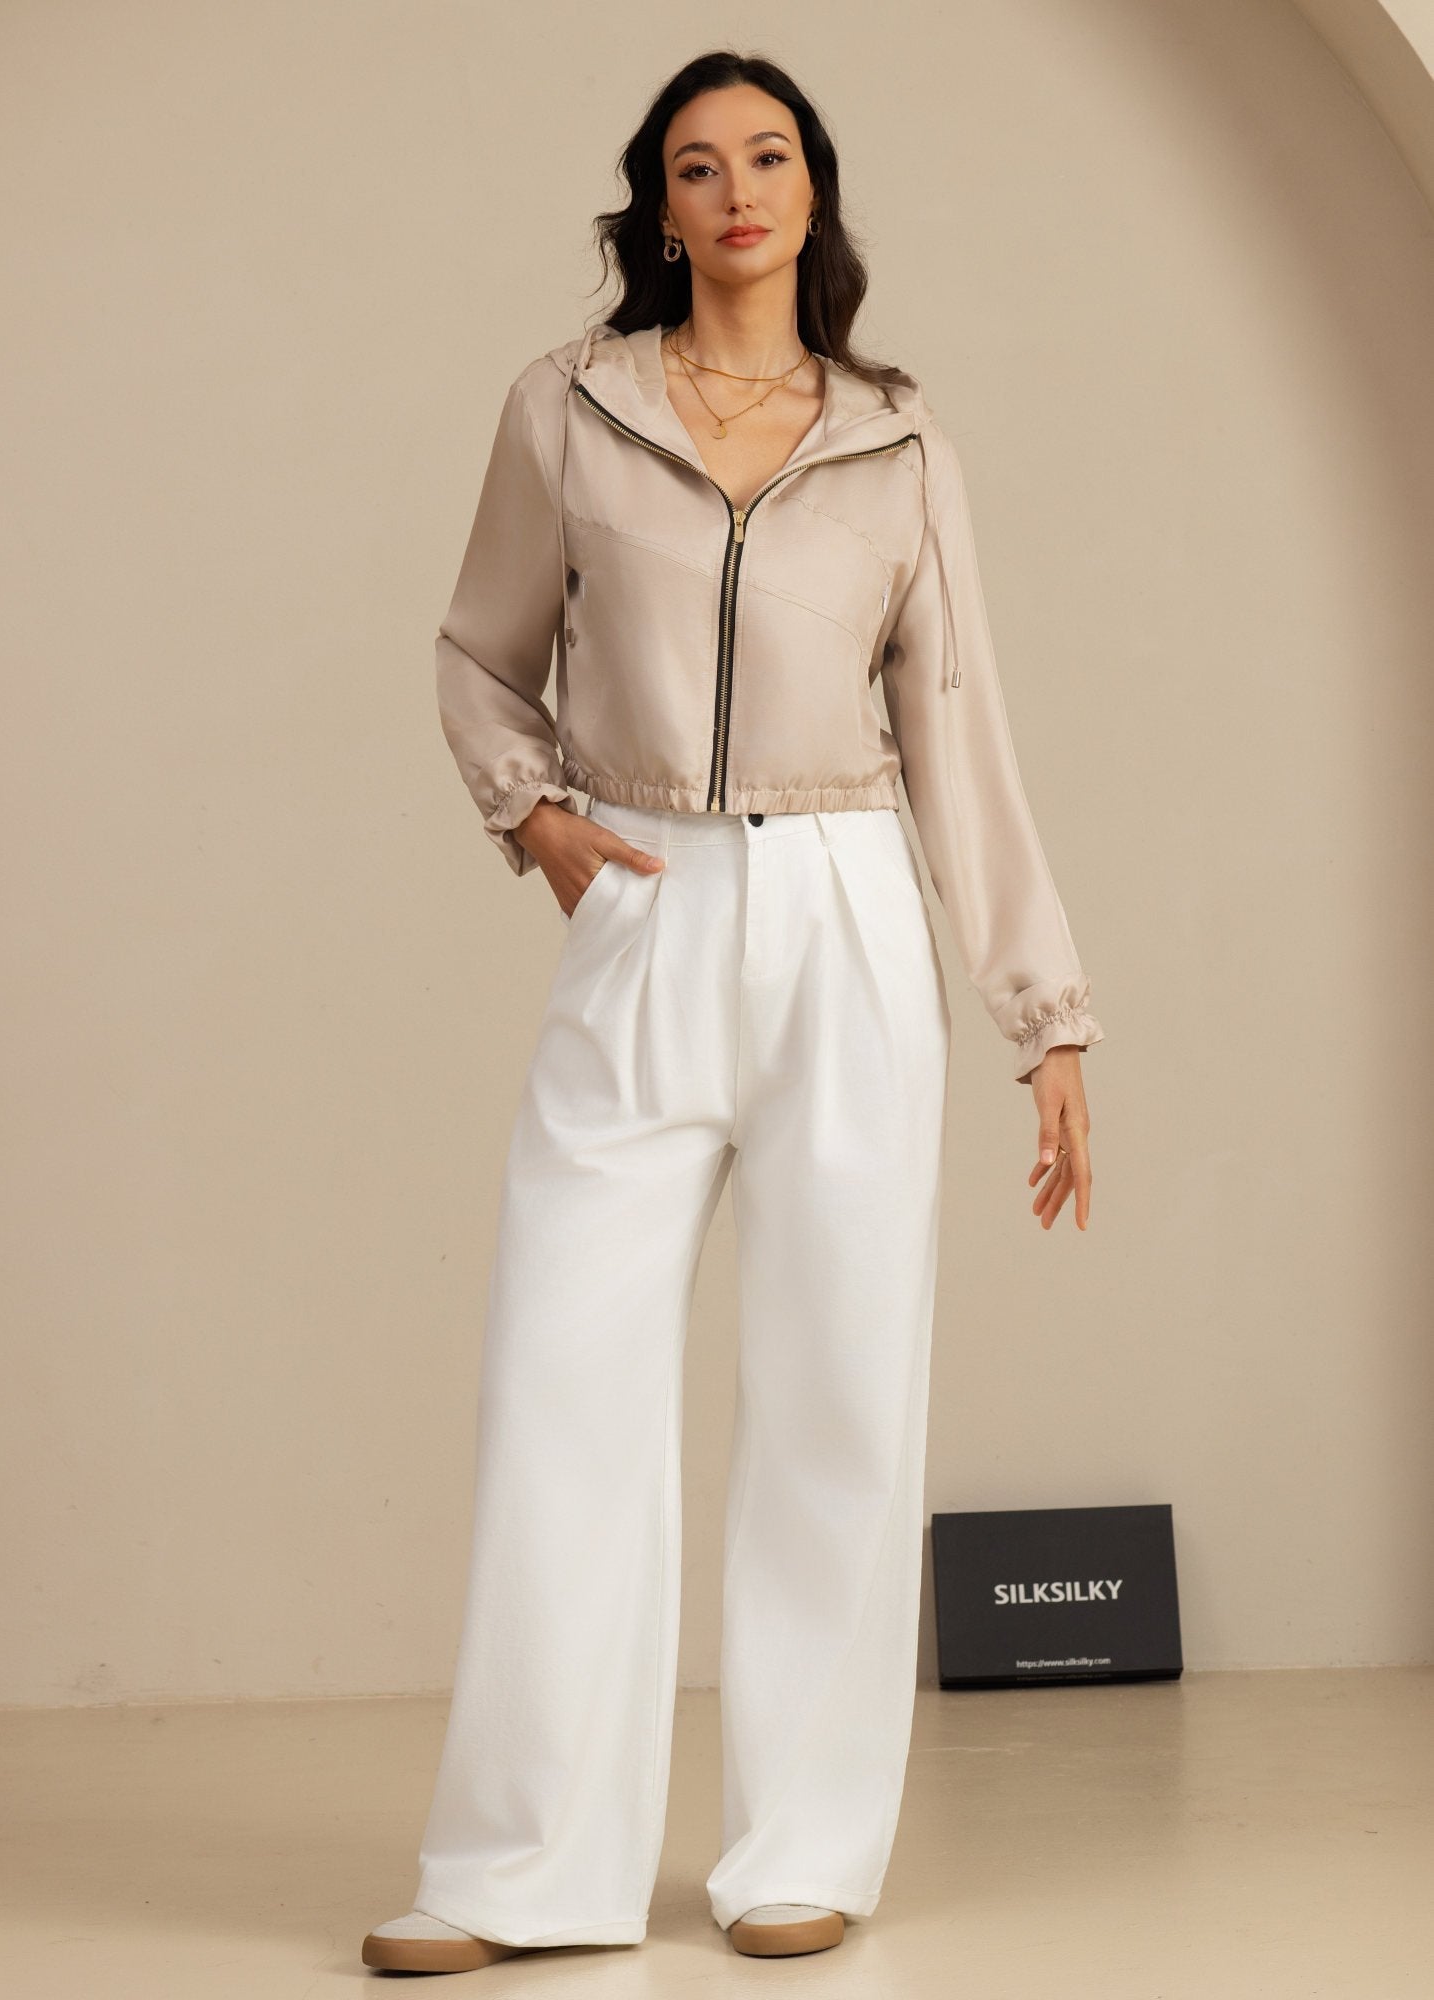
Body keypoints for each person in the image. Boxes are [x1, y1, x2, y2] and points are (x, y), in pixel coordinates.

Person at [364, 47, 1103, 1976]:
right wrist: (533, 817)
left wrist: (1047, 1017)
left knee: (840, 1389)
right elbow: (479, 651)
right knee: (562, 1386)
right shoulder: (570, 407)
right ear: (661, 206)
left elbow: (958, 739)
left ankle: (803, 1848)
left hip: (848, 903)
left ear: (811, 189)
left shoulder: (898, 443)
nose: (738, 189)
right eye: (698, 166)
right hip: (645, 899)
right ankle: (521, 1871)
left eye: (768, 156)